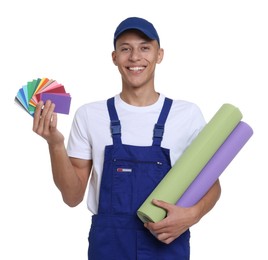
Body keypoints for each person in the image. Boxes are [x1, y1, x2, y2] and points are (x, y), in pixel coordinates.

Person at [33, 17, 221, 260]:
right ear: (114, 57)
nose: (135, 57)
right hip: (109, 248)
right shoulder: (90, 115)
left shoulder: (187, 115)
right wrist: (55, 144)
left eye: (144, 47)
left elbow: (211, 183)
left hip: (167, 243)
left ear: (159, 54)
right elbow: (72, 197)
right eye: (125, 49)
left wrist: (193, 214)